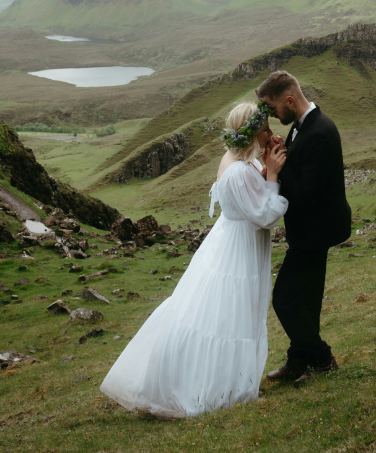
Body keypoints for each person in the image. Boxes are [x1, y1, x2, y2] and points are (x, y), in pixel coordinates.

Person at [100, 100, 288, 418]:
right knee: (232, 314)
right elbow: (265, 215)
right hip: (239, 250)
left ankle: (229, 379)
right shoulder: (239, 171)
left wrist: (267, 164)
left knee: (225, 313)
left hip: (230, 242)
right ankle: (218, 387)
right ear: (252, 132)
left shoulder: (237, 161)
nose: (270, 133)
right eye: (265, 129)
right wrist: (272, 177)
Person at [256, 70, 352, 385]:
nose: (271, 115)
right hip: (308, 232)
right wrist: (282, 152)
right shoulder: (302, 127)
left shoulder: (320, 132)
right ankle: (299, 362)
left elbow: (307, 195)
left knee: (285, 299)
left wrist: (277, 172)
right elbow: (302, 168)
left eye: (272, 108)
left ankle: (322, 359)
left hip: (315, 232)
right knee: (307, 301)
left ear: (290, 100)